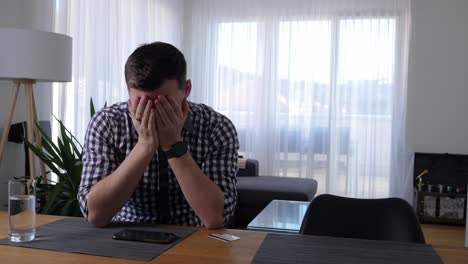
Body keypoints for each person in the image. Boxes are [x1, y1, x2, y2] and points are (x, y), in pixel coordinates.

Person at [78, 42, 239, 229]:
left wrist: (174, 145)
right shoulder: (107, 123)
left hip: (193, 235)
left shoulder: (216, 127)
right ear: (128, 94)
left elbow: (214, 217)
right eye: (142, 104)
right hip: (126, 234)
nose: (152, 112)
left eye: (163, 103)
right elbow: (95, 214)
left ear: (186, 90)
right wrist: (144, 146)